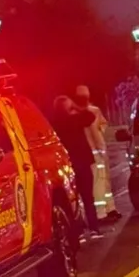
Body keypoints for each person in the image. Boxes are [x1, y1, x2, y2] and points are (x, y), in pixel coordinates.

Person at [52, 95, 103, 237]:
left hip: (67, 166)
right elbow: (90, 116)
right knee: (88, 198)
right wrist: (77, 107)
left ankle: (77, 231)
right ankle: (94, 228)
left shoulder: (55, 124)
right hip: (82, 164)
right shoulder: (74, 120)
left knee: (72, 201)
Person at [73, 85, 121, 222]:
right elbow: (101, 128)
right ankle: (102, 213)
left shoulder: (84, 112)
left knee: (103, 182)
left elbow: (102, 126)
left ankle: (109, 209)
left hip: (96, 152)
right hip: (96, 153)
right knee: (100, 183)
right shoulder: (91, 112)